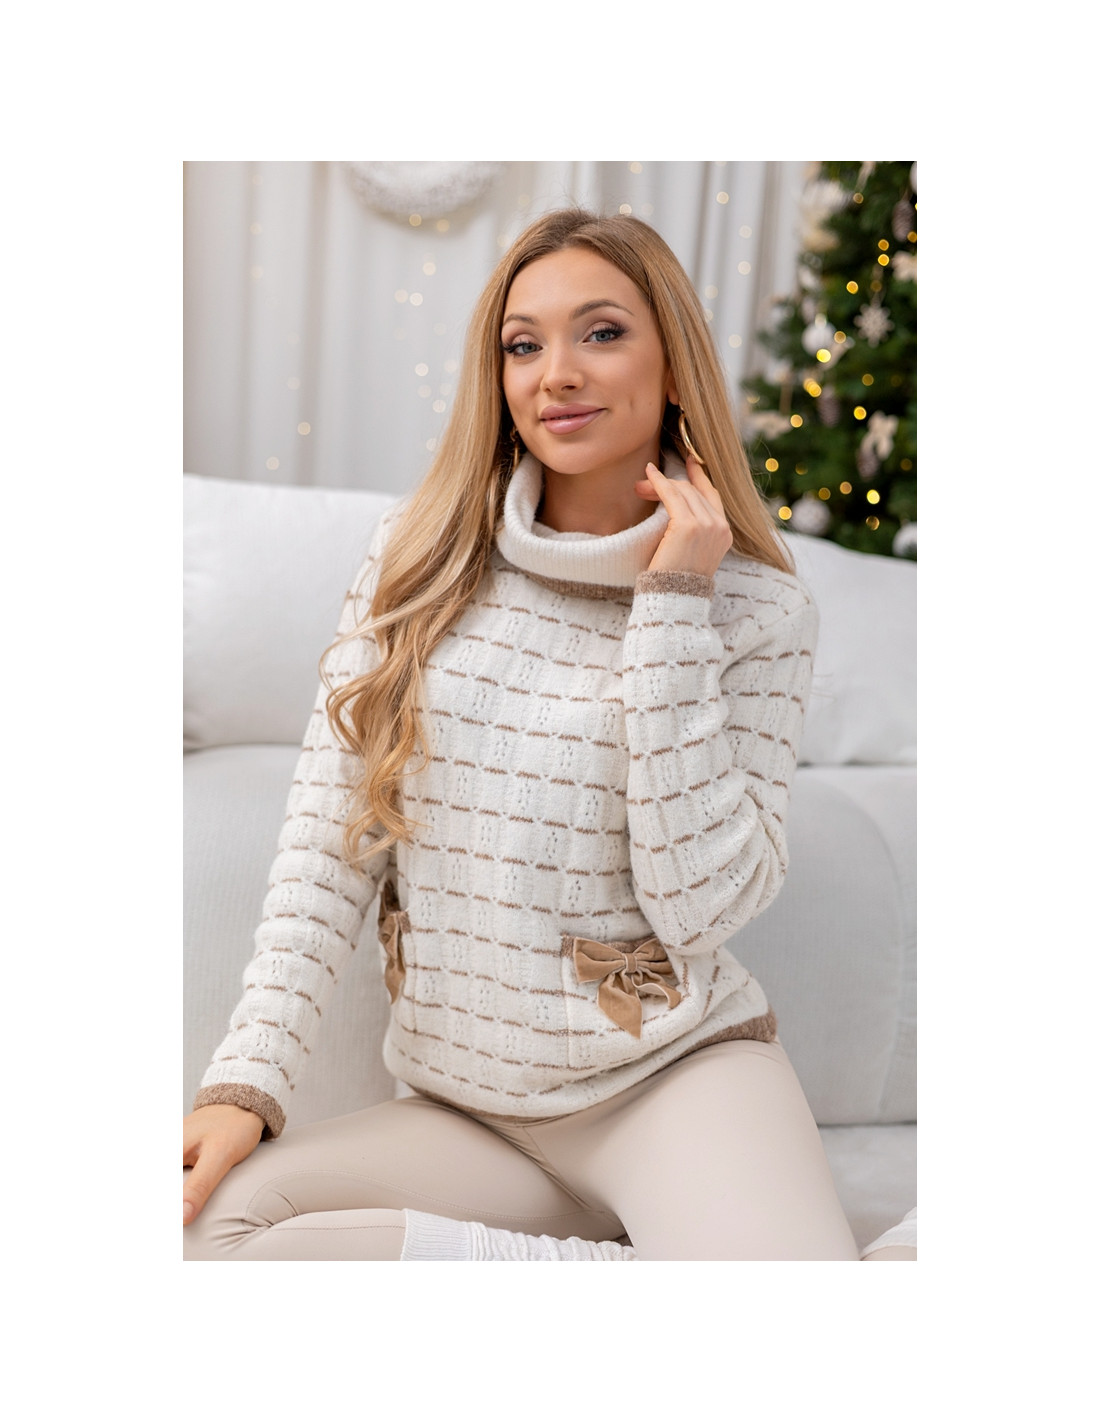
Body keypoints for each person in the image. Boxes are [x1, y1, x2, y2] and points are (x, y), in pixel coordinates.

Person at [183, 208, 915, 1261]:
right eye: (522, 345)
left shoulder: (758, 611)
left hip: (671, 1084)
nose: (556, 373)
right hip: (466, 1109)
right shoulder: (418, 558)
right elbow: (325, 849)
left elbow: (700, 906)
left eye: (601, 332)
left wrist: (672, 605)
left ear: (674, 364)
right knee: (208, 1235)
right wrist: (244, 1085)